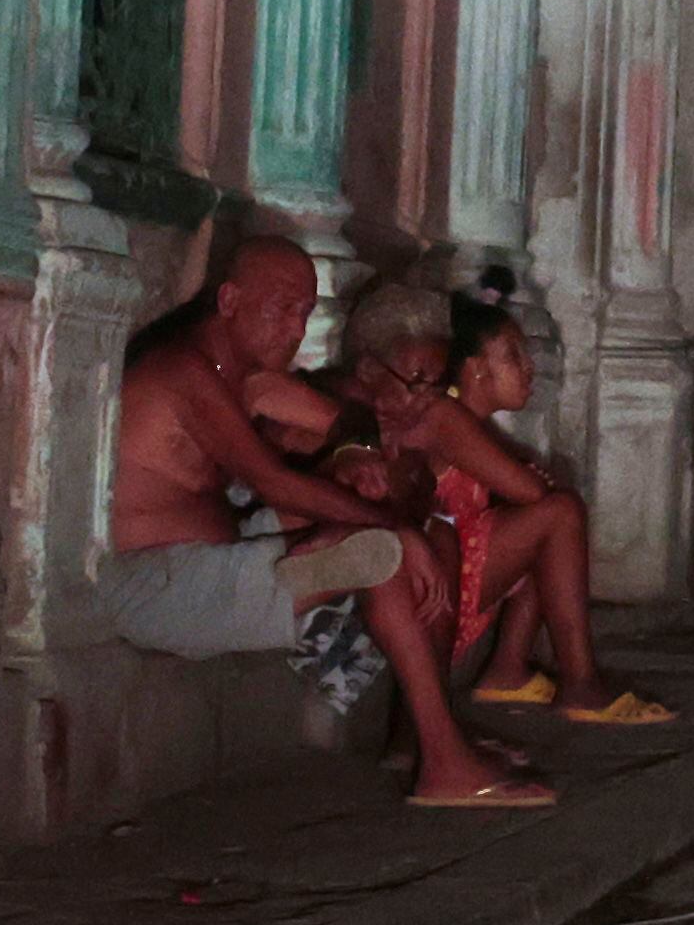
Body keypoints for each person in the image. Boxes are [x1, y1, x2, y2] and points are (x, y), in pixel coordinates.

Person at [106, 235, 547, 811]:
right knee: (383, 549)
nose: (295, 330)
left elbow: (352, 421)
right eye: (281, 309)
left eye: (306, 312)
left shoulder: (248, 379)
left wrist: (352, 455)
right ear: (230, 300)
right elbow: (275, 482)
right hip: (159, 588)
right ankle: (443, 762)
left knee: (418, 527)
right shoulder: (185, 372)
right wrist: (393, 527)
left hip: (222, 555)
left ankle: (421, 738)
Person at [365, 293, 670, 726]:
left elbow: (521, 478)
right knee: (561, 515)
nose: (529, 367)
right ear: (475, 368)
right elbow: (530, 490)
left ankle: (507, 669)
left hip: (443, 580)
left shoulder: (461, 420)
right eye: (513, 355)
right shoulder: (443, 417)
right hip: (434, 592)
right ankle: (581, 683)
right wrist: (531, 483)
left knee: (546, 520)